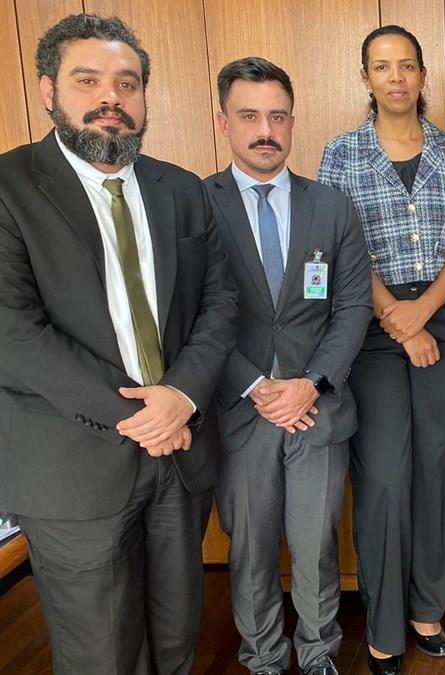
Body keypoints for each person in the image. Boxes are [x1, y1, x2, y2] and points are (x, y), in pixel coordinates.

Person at [0, 13, 237, 675]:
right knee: (101, 654)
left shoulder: (182, 190)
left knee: (175, 640)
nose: (112, 97)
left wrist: (182, 396)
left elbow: (219, 308)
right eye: (89, 80)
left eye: (127, 83)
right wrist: (143, 413)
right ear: (48, 90)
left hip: (178, 461)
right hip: (72, 466)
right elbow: (13, 334)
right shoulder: (9, 187)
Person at [318, 25, 445, 675]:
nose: (395, 77)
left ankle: (426, 609)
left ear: (422, 76)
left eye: (407, 66)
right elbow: (338, 248)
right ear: (365, 77)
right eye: (382, 67)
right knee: (385, 474)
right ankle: (384, 625)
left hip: (443, 316)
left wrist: (424, 312)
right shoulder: (342, 154)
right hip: (370, 324)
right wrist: (397, 317)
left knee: (436, 467)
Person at [205, 57, 372, 675]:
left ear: (293, 123)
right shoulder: (196, 204)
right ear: (224, 121)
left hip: (317, 408)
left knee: (315, 543)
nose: (264, 130)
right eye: (249, 116)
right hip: (239, 409)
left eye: (277, 116)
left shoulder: (332, 205)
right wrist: (256, 385)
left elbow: (352, 306)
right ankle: (264, 656)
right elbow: (190, 315)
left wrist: (310, 383)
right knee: (249, 548)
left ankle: (319, 651)